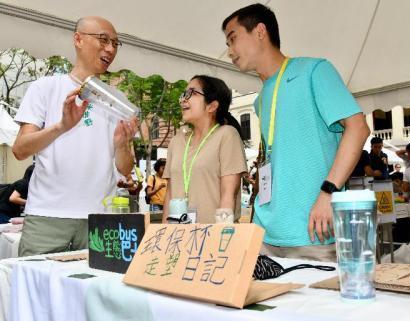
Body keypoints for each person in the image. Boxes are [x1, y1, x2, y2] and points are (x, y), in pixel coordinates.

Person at [222, 4, 370, 261]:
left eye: (233, 39)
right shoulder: (260, 99)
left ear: (259, 31)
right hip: (265, 232)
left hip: (312, 232)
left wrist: (328, 192)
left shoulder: (314, 70)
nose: (229, 51)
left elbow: (358, 127)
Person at [12, 16, 137, 256]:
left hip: (101, 218)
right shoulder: (45, 87)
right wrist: (61, 126)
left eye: (115, 43)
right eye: (103, 40)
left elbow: (125, 168)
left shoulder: (119, 101)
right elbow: (20, 149)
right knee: (37, 289)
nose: (110, 49)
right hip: (48, 215)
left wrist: (122, 146)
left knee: (95, 291)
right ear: (78, 39)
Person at [162, 75, 247, 224]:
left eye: (192, 93)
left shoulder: (227, 135)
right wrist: (163, 237)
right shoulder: (176, 141)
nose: (183, 99)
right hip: (178, 238)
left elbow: (229, 195)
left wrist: (221, 238)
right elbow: (169, 195)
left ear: (212, 106)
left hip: (210, 238)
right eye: (184, 94)